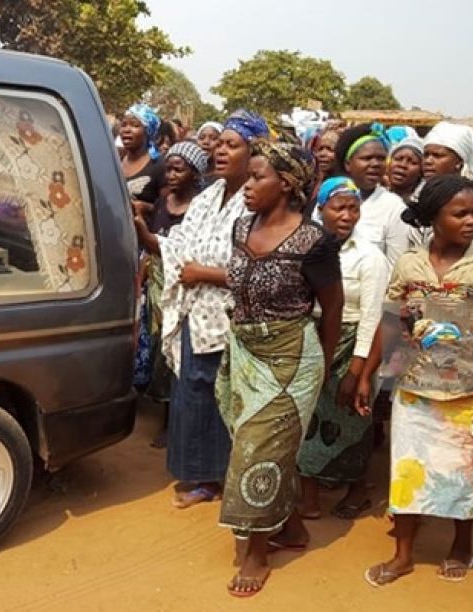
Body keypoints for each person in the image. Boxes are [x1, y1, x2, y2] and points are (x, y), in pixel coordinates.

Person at [364, 175, 473, 587]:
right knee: (407, 472)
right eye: (460, 213)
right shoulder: (409, 263)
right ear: (434, 217)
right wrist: (371, 375)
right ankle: (402, 555)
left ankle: (460, 544)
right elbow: (391, 319)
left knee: (465, 471)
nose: (471, 221)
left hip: (467, 390)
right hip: (414, 388)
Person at [216, 139, 343, 597]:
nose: (247, 185)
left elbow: (332, 307)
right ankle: (290, 528)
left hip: (292, 357)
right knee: (254, 440)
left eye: (257, 177)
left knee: (257, 449)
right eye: (248, 176)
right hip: (245, 350)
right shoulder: (239, 227)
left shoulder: (314, 241)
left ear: (286, 183)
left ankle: (256, 552)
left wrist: (324, 366)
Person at [158, 110, 269, 509]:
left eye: (231, 145)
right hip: (195, 312)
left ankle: (230, 476)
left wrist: (204, 272)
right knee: (194, 393)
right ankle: (202, 476)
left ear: (253, 151)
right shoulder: (206, 196)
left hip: (232, 319)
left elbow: (262, 265)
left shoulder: (258, 200)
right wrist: (144, 236)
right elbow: (179, 244)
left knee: (229, 399)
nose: (220, 151)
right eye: (218, 143)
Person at [298, 177, 389, 520]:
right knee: (307, 416)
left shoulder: (370, 257)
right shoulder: (308, 248)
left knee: (351, 418)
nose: (347, 215)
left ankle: (356, 488)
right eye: (339, 208)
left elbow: (372, 317)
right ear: (321, 210)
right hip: (312, 337)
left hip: (351, 342)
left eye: (353, 208)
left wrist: (357, 371)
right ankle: (309, 495)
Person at [133, 141, 210, 448]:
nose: (172, 175)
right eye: (169, 169)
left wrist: (142, 231)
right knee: (157, 351)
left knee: (175, 355)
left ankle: (172, 423)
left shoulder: (200, 209)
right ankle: (165, 412)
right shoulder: (165, 202)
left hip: (180, 284)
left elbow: (160, 246)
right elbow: (150, 255)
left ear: (195, 173)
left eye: (179, 169)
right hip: (156, 284)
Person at [413, 121, 473, 252]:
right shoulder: (417, 196)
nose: (428, 161)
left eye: (437, 156)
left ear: (458, 162)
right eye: (426, 155)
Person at [332, 123, 410, 268]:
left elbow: (396, 266)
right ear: (348, 164)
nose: (375, 164)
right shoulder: (328, 198)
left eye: (381, 158)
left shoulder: (394, 207)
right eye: (367, 158)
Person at [120, 103, 165, 206]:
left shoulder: (159, 165)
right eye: (123, 125)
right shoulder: (116, 159)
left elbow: (164, 210)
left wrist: (145, 208)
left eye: (135, 125)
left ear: (148, 131)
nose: (127, 130)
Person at [388, 136, 425, 205]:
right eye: (398, 159)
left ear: (421, 171)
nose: (402, 165)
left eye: (412, 162)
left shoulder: (423, 202)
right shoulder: (373, 195)